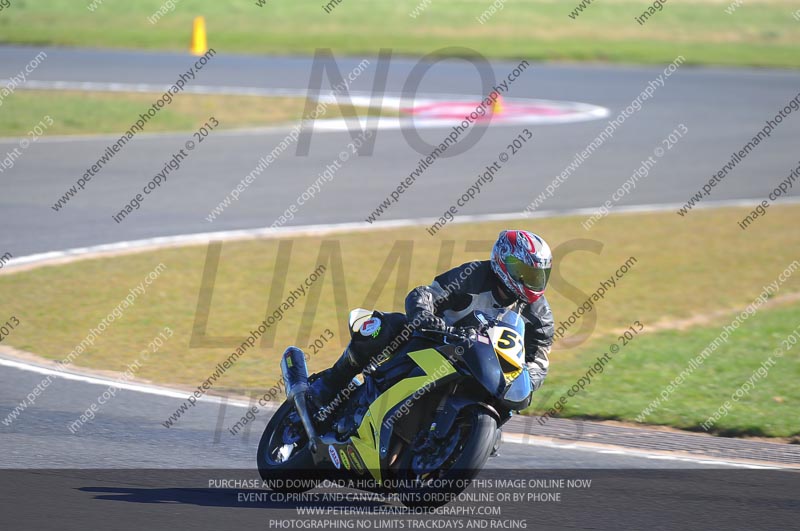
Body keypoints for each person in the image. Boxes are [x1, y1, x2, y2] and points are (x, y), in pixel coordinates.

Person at [309, 229, 554, 409]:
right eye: (525, 272)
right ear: (503, 261)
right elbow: (427, 294)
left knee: (503, 410)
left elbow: (539, 362)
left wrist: (524, 381)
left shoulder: (539, 315)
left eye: (537, 275)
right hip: (438, 342)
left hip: (483, 368)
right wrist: (425, 316)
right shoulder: (474, 276)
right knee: (383, 327)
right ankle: (329, 384)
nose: (532, 281)